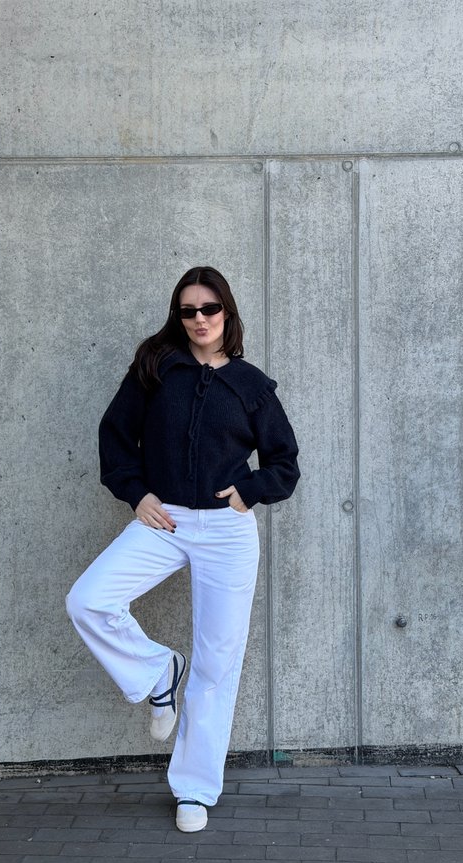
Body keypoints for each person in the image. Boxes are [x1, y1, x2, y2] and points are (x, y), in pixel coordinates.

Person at [66, 266, 300, 832]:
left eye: (210, 309)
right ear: (178, 316)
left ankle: (193, 789)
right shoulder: (155, 369)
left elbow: (285, 465)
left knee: (218, 664)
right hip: (163, 521)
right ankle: (158, 674)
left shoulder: (251, 386)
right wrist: (137, 492)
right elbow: (114, 437)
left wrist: (248, 491)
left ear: (228, 314)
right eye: (188, 311)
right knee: (89, 600)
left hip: (226, 531)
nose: (199, 320)